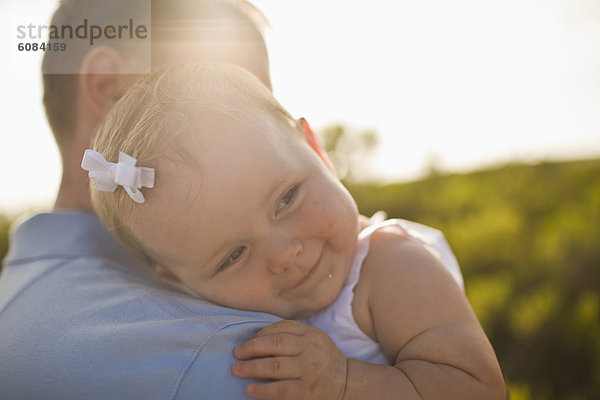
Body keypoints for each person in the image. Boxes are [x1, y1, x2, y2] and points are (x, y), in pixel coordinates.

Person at [86, 63, 506, 399]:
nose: (285, 254)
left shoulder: (392, 267)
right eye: (233, 256)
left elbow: (478, 388)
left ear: (316, 150)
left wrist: (344, 381)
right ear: (179, 282)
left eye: (286, 199)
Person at [0, 1, 282, 399]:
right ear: (110, 88)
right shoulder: (231, 357)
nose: (263, 143)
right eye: (234, 105)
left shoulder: (19, 297)